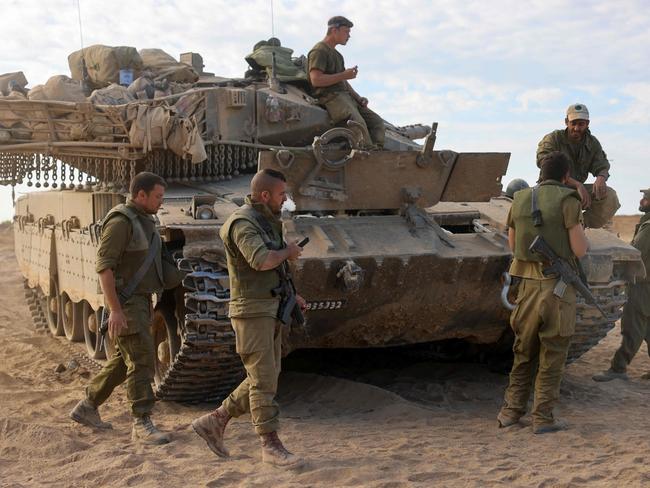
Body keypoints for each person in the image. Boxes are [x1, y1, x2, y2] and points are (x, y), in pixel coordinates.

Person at [192, 169, 307, 468]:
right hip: (251, 310)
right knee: (263, 379)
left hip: (269, 306)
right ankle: (270, 444)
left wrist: (292, 296)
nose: (285, 200)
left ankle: (215, 421)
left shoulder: (268, 222)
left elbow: (276, 269)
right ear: (265, 195)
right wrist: (289, 252)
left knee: (264, 376)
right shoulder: (243, 223)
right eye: (282, 195)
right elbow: (262, 260)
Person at [69, 172, 183, 445]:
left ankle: (87, 406)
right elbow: (104, 267)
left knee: (123, 363)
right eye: (157, 197)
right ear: (140, 195)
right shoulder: (121, 221)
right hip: (127, 303)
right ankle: (141, 422)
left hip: (142, 301)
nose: (161, 202)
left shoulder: (145, 220)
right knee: (142, 361)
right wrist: (116, 310)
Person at [497, 151, 589, 434]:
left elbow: (513, 245)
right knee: (553, 353)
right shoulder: (568, 200)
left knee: (524, 351)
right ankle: (543, 418)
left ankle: (511, 412)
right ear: (566, 176)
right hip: (557, 292)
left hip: (525, 289)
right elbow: (579, 249)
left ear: (541, 174)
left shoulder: (521, 198)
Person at [593, 188, 650, 382]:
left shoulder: (649, 226)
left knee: (632, 327)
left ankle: (618, 369)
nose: (642, 200)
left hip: (642, 284)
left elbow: (636, 252)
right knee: (648, 328)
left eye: (645, 198)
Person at [536, 103, 620, 228]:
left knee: (610, 196)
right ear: (566, 122)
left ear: (587, 123)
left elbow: (602, 164)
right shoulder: (553, 139)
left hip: (576, 192)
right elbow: (544, 163)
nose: (576, 128)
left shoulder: (592, 143)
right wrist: (576, 184)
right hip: (552, 189)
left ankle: (579, 226)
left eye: (581, 124)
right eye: (573, 123)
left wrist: (601, 178)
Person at [307, 15, 385, 149]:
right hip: (330, 97)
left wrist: (358, 98)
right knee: (357, 124)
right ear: (334, 30)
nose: (348, 36)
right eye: (346, 32)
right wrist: (344, 75)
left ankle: (376, 151)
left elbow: (343, 80)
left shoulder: (337, 55)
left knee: (377, 122)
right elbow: (316, 80)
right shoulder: (319, 50)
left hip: (345, 96)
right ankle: (365, 153)